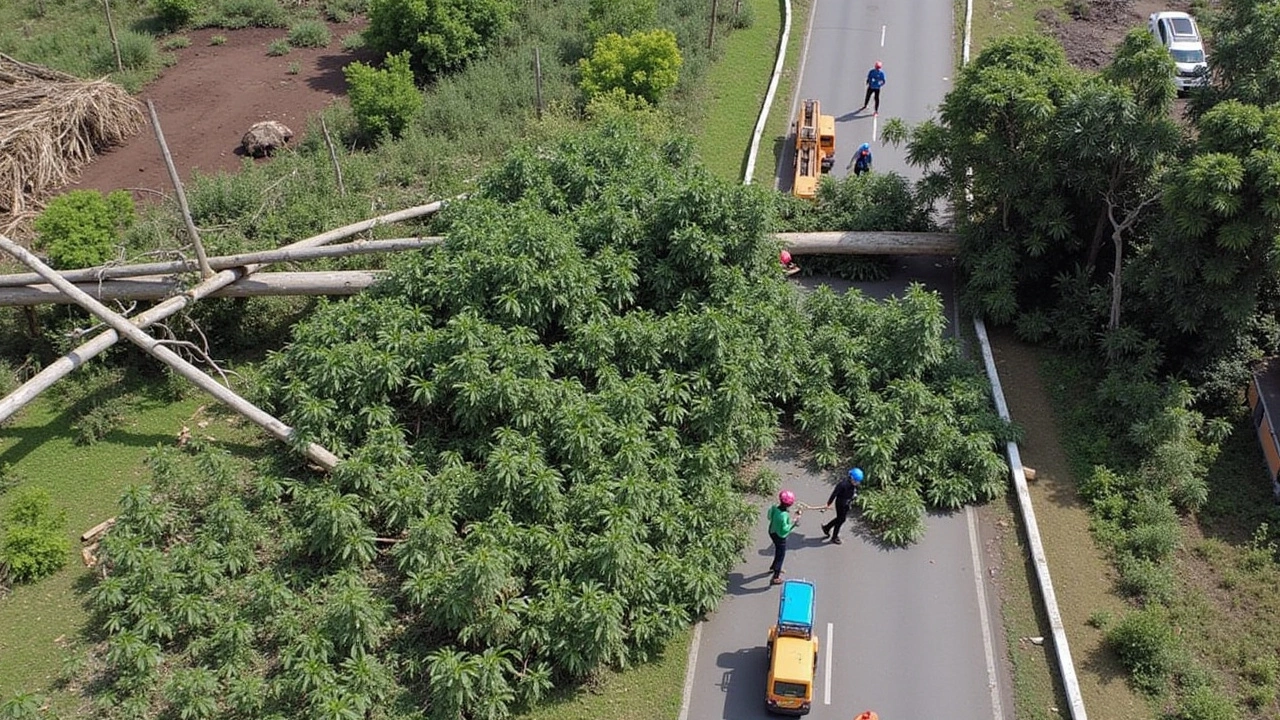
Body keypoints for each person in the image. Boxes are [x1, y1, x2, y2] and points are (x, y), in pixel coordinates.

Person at [768, 490, 802, 585]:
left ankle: (773, 566)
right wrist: (794, 523)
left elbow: (769, 516)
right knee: (780, 555)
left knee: (777, 550)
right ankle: (775, 576)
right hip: (779, 536)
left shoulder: (774, 508)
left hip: (772, 531)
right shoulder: (784, 516)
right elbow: (784, 530)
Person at [821, 467, 862, 544]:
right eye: (856, 481)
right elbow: (834, 494)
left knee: (841, 519)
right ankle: (834, 537)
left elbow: (853, 491)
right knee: (840, 520)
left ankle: (827, 527)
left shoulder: (853, 485)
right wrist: (828, 504)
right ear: (851, 478)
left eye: (858, 482)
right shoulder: (842, 485)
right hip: (840, 504)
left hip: (847, 503)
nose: (858, 483)